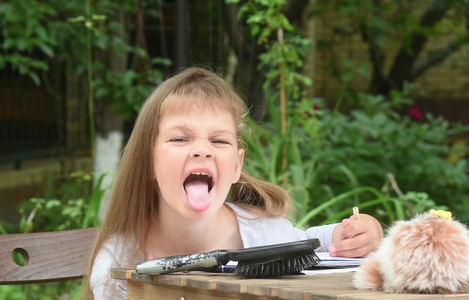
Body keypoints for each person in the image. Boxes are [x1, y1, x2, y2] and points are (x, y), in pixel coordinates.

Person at [83, 67, 383, 300]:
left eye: (218, 139)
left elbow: (308, 246)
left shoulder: (263, 234)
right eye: (180, 138)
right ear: (148, 161)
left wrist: (352, 237)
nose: (202, 149)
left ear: (237, 165)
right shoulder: (118, 262)